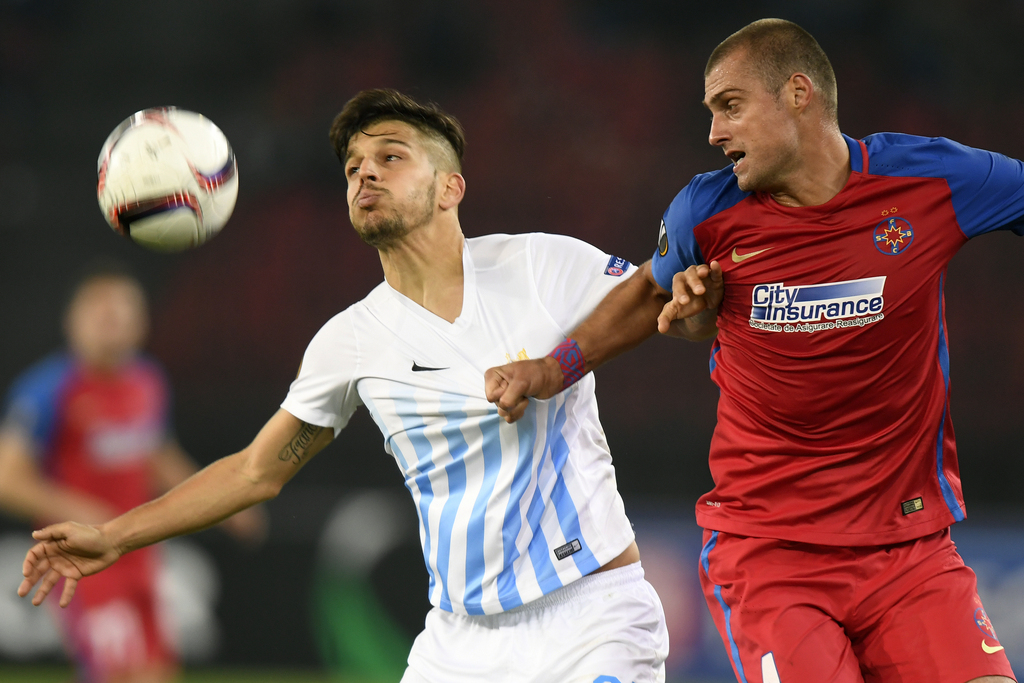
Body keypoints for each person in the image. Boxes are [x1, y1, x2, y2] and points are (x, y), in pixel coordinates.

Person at [18, 90, 669, 683]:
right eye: (354, 164)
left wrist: (674, 309)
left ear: (450, 187)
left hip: (590, 613)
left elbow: (659, 299)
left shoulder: (539, 265)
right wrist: (114, 534)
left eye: (391, 156)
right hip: (460, 643)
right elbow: (254, 472)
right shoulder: (350, 341)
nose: (366, 172)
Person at [485, 18, 1020, 683]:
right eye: (711, 113)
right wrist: (550, 368)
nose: (714, 133)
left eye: (730, 106)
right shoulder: (705, 215)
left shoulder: (932, 181)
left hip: (910, 548)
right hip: (771, 553)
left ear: (799, 94)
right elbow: (648, 298)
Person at [0, 262, 265, 683]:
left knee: (157, 672)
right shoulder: (49, 389)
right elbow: (7, 479)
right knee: (120, 673)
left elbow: (158, 458)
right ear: (73, 320)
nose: (112, 321)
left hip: (139, 551)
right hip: (83, 558)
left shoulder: (147, 382)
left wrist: (230, 501)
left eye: (123, 311)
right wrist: (75, 507)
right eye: (100, 311)